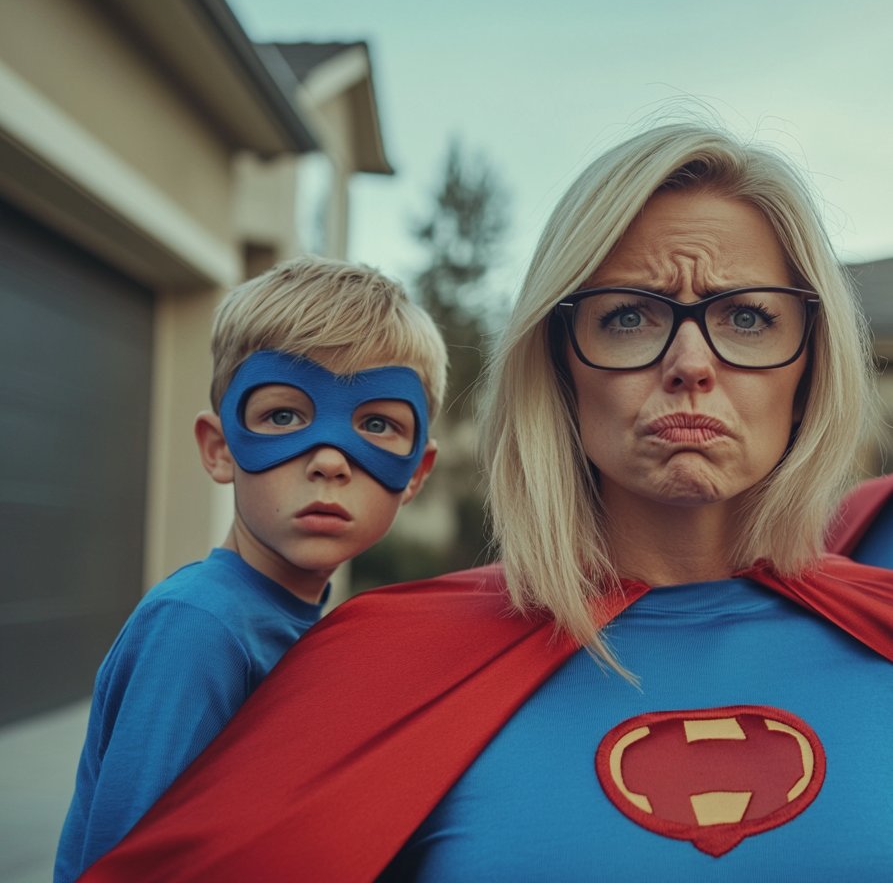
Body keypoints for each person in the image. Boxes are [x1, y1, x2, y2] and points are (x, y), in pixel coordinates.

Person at [78, 123, 893, 882]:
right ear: (559, 370)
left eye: (747, 316)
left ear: (810, 370)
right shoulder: (376, 664)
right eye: (627, 316)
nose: (689, 362)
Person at [55, 256, 446, 883]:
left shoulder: (315, 627)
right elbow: (131, 867)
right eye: (284, 416)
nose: (328, 460)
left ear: (415, 474)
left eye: (376, 424)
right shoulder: (199, 627)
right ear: (220, 448)